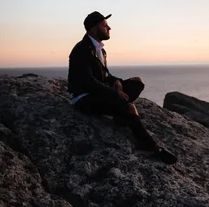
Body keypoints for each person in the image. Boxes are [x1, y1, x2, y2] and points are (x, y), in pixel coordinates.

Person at [68, 11, 177, 164]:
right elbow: (87, 81)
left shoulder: (100, 50)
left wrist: (117, 82)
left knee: (137, 82)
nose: (109, 28)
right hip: (84, 97)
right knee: (130, 107)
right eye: (105, 26)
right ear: (93, 29)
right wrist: (114, 93)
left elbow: (105, 76)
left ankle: (119, 113)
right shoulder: (82, 50)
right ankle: (151, 146)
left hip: (100, 90)